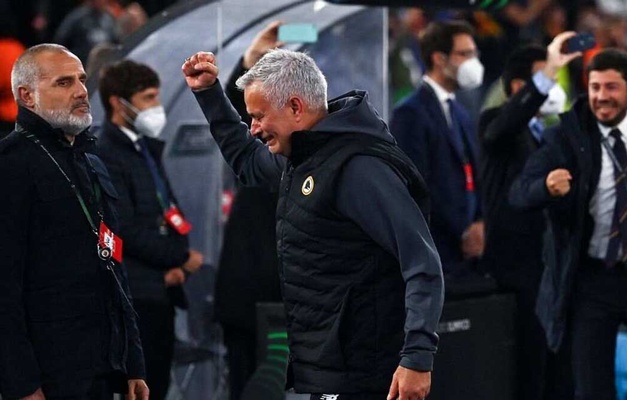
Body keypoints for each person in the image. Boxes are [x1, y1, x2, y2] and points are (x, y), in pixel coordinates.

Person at [182, 49, 444, 400]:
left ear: (295, 107)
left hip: (368, 375)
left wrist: (417, 357)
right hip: (331, 371)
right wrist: (209, 93)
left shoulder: (359, 169)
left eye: (259, 116)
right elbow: (247, 160)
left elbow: (422, 262)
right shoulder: (304, 156)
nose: (254, 128)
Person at [0, 43, 148, 400]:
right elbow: (3, 287)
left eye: (82, 79)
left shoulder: (91, 162)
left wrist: (133, 363)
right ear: (27, 96)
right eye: (64, 83)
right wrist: (20, 384)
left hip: (103, 369)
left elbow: (114, 266)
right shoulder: (9, 165)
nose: (82, 91)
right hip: (48, 374)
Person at [510, 48, 627, 400]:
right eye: (595, 87)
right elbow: (519, 192)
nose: (601, 96)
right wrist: (545, 187)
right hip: (591, 281)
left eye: (611, 87)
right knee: (592, 389)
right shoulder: (566, 136)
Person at [95, 59, 203, 400]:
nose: (157, 107)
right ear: (118, 103)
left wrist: (177, 258)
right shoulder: (107, 153)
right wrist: (178, 257)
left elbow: (167, 208)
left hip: (161, 292)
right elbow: (123, 228)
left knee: (159, 382)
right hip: (139, 294)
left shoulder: (144, 149)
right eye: (148, 98)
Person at [479, 32, 578, 400]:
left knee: (559, 372)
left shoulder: (550, 135)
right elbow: (505, 125)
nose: (554, 87)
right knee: (528, 371)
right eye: (546, 78)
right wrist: (548, 71)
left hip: (550, 269)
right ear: (521, 87)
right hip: (517, 271)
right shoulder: (496, 123)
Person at [216, 21, 283, 400]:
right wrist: (251, 62)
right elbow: (234, 122)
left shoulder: (312, 159)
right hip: (249, 299)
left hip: (288, 304)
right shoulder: (263, 161)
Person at [390, 20, 485, 277]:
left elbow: (473, 174)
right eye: (464, 54)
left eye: (474, 54)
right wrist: (461, 232)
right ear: (439, 59)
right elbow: (416, 186)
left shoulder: (461, 113)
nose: (472, 62)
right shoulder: (410, 113)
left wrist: (478, 223)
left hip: (466, 254)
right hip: (435, 250)